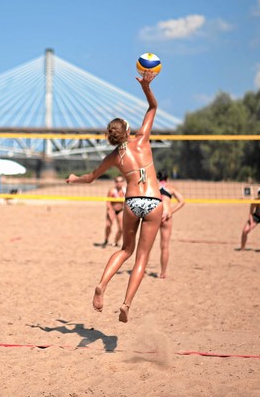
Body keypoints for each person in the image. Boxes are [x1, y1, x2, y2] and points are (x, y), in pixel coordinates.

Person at [66, 70, 161, 323]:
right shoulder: (142, 141)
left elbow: (90, 177)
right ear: (129, 131)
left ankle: (102, 285)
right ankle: (127, 304)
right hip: (153, 202)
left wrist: (74, 179)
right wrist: (146, 86)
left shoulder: (113, 158)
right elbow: (153, 107)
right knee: (141, 258)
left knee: (125, 249)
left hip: (130, 203)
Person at [157, 171, 185, 279]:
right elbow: (182, 201)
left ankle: (142, 270)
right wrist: (171, 211)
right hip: (166, 216)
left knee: (146, 246)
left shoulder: (153, 186)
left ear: (157, 177)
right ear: (167, 177)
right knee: (165, 247)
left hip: (154, 216)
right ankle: (163, 273)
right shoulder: (171, 187)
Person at [102, 176, 126, 248]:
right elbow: (108, 201)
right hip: (112, 209)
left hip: (121, 210)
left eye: (120, 181)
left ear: (123, 182)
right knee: (108, 226)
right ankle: (106, 239)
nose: (119, 183)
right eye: (117, 181)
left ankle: (116, 242)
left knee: (121, 228)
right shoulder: (112, 190)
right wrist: (110, 211)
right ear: (115, 182)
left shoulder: (125, 190)